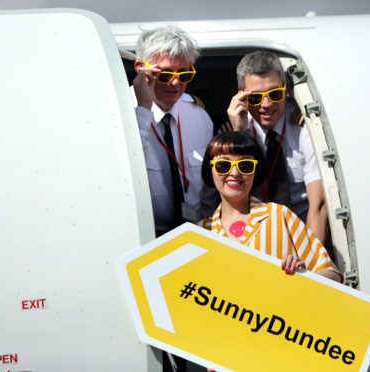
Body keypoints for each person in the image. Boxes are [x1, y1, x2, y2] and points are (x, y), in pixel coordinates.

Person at [199, 132, 342, 282]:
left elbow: (332, 274)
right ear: (210, 169)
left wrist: (303, 276)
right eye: (223, 165)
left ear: (256, 170)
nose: (234, 173)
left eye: (245, 165)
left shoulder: (279, 215)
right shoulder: (200, 232)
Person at [226, 51, 330, 245]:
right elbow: (231, 203)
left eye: (274, 94)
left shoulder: (305, 127)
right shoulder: (234, 130)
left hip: (304, 233)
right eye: (256, 97)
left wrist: (313, 263)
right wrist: (237, 134)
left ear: (286, 90)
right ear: (241, 96)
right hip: (254, 237)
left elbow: (319, 206)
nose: (266, 104)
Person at [132, 25, 216, 237]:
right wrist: (143, 109)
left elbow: (208, 188)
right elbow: (128, 168)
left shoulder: (198, 117)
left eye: (184, 74)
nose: (176, 82)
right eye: (165, 73)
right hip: (145, 240)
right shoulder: (122, 113)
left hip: (195, 235)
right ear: (141, 69)